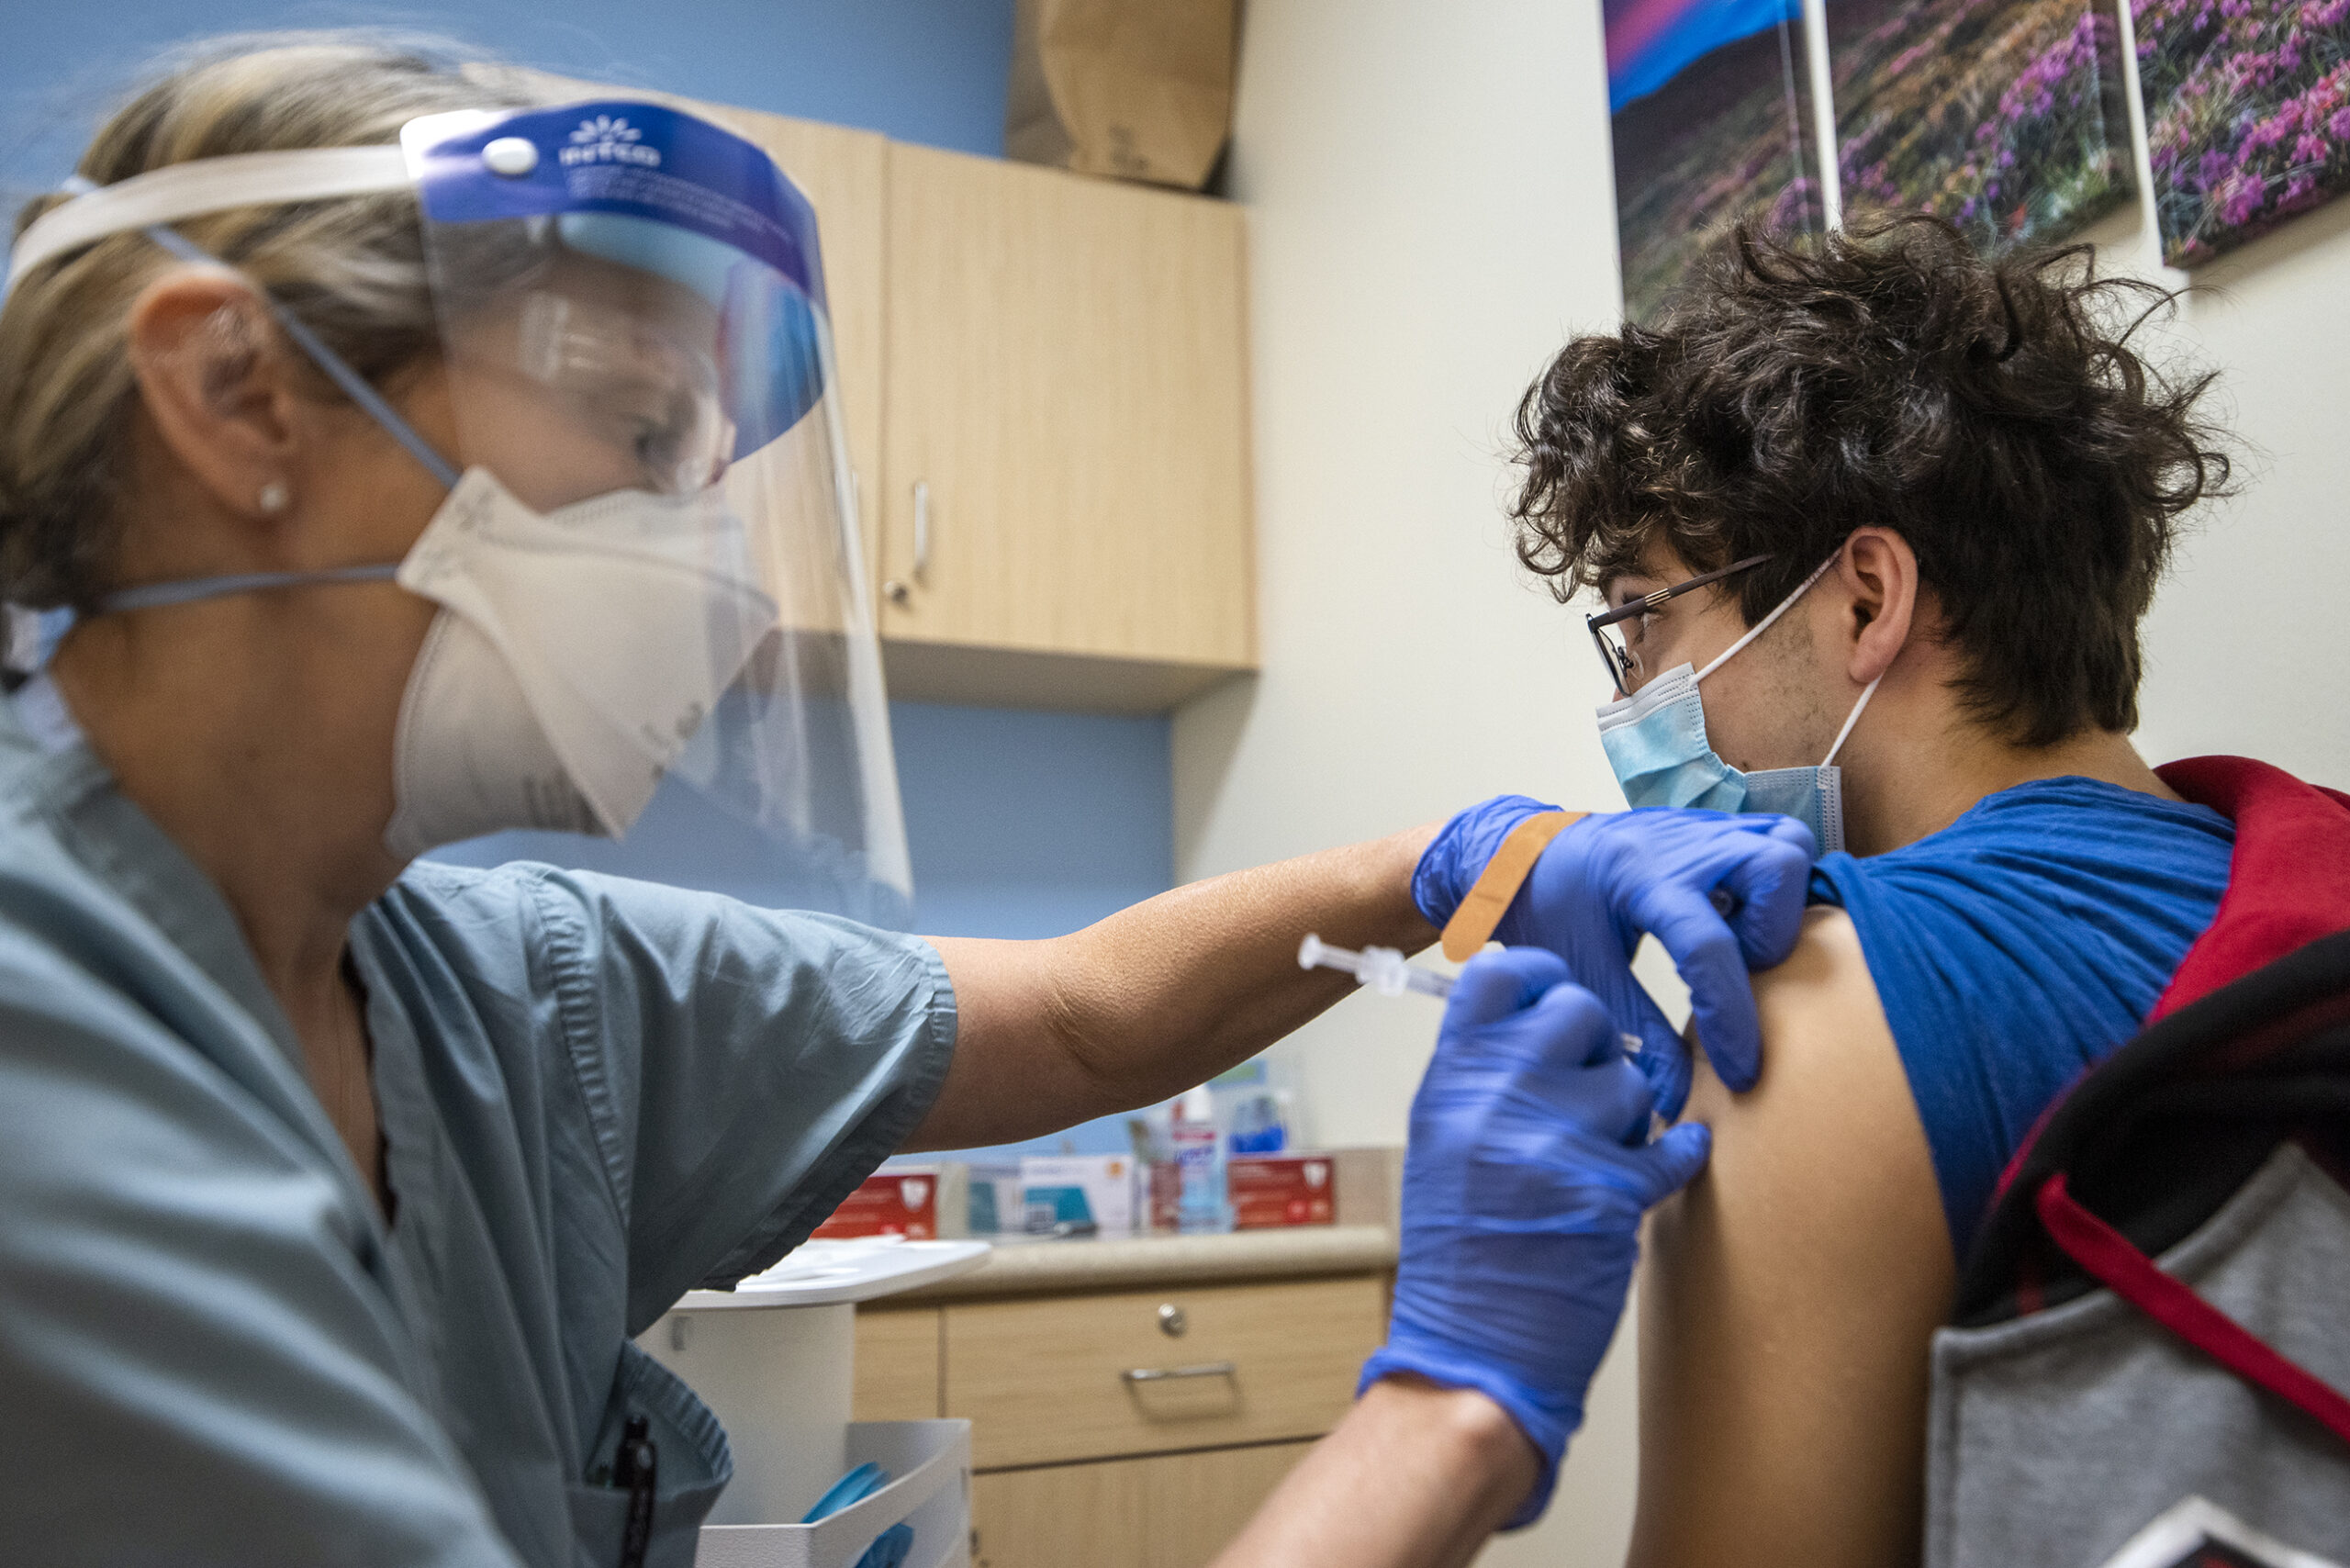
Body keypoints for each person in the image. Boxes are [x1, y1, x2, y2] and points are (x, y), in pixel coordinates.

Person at [0, 37, 1816, 1564]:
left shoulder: (485, 983)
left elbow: (1078, 1010)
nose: (706, 568)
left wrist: (1469, 860)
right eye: (641, 441)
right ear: (237, 393)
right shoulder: (48, 1057)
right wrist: (1450, 1411)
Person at [1496, 217, 2281, 1566]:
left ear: (1865, 598)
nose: (1628, 703)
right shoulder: (2294, 896)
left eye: (1642, 620)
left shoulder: (1809, 1023)